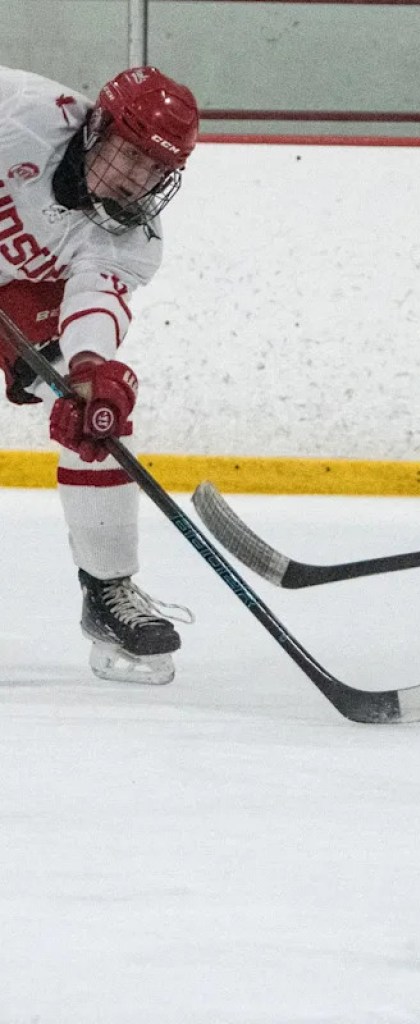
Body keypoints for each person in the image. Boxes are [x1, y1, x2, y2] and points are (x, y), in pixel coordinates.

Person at [0, 65, 199, 685]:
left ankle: (108, 593)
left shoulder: (133, 237)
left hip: (21, 305)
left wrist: (92, 375)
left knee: (100, 419)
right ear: (94, 130)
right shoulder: (19, 114)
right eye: (128, 155)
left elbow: (93, 300)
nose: (137, 179)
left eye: (154, 169)